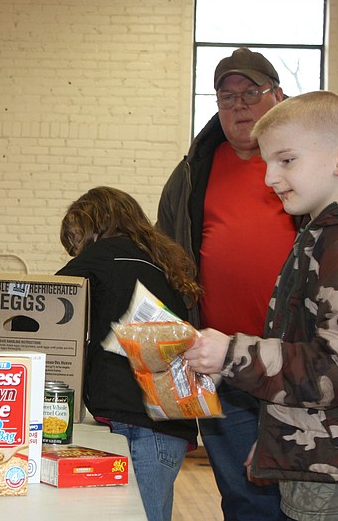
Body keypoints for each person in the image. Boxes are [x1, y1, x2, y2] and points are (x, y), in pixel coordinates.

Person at [156, 47, 338, 520]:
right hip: (300, 417)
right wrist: (281, 443)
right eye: (226, 96)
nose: (270, 178)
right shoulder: (324, 230)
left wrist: (232, 353)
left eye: (286, 161)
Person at [55, 186, 203, 520]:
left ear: (98, 225)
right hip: (169, 427)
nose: (76, 250)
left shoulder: (105, 253)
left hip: (137, 427)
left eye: (78, 238)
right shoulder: (158, 261)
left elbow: (45, 301)